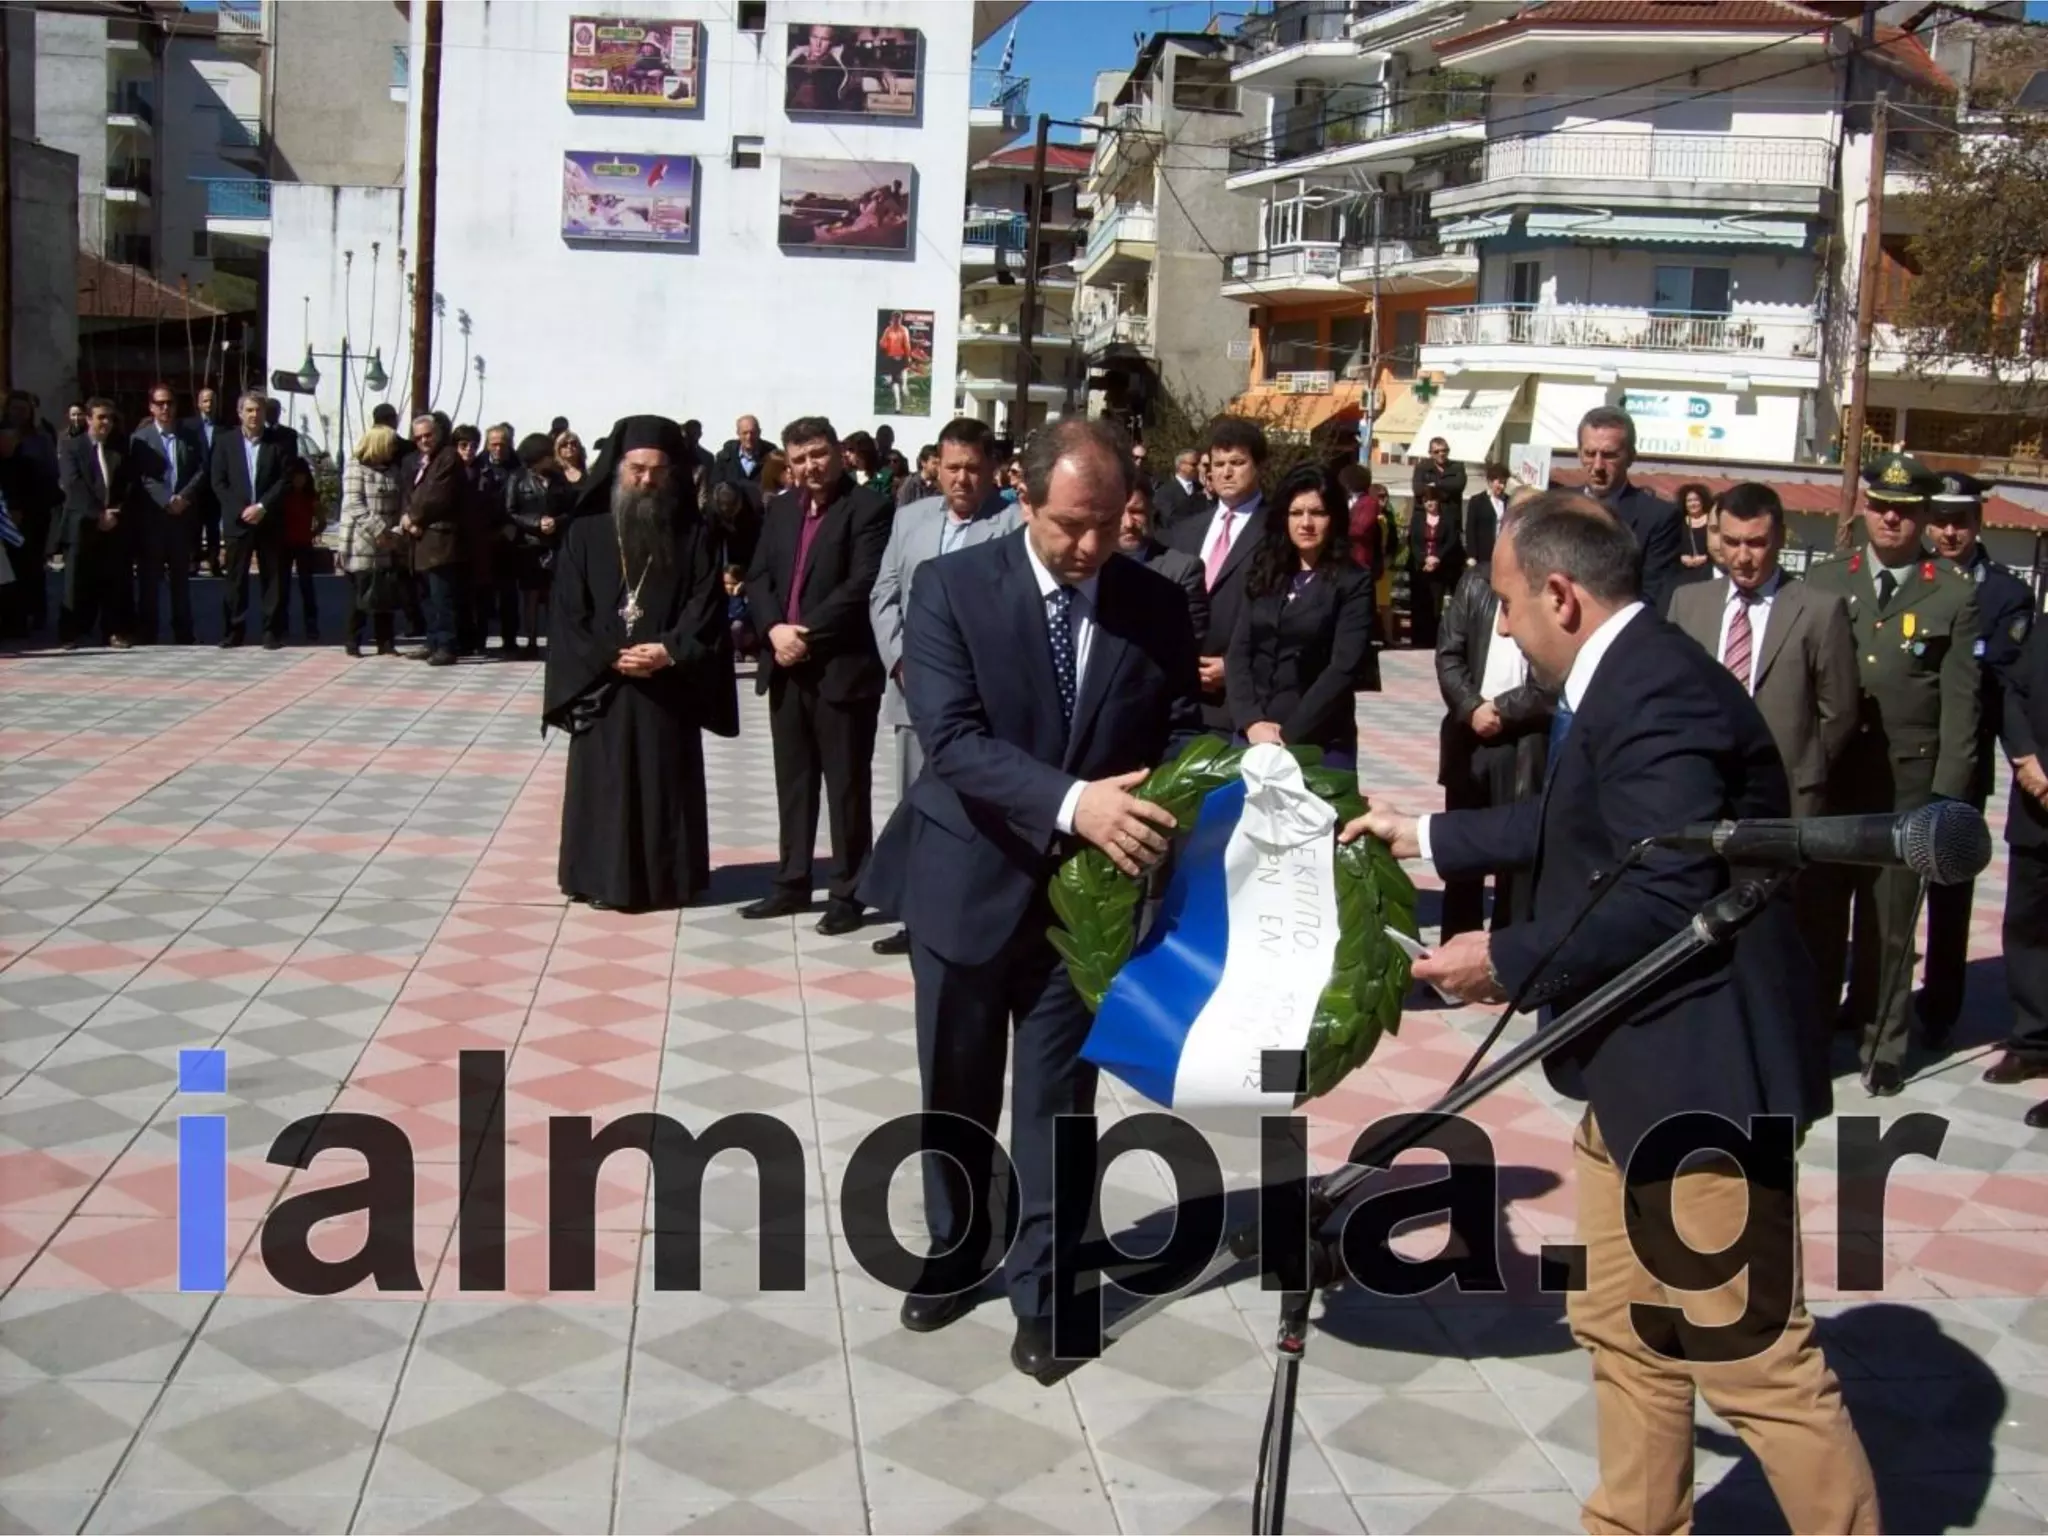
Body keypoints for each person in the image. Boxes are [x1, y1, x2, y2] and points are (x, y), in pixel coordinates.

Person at [1347, 491, 1877, 1535]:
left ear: (1558, 594)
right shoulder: (1623, 675)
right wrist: (1423, 834)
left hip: (1701, 1083)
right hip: (1634, 1069)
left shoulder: (1657, 693)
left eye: (1504, 604)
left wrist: (1502, 959)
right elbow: (1581, 822)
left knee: (1749, 1356)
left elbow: (1662, 890)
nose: (1498, 626)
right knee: (1620, 1323)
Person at [857, 416, 1203, 1381]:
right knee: (956, 1092)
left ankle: (1047, 1292)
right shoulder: (952, 589)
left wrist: (1177, 802)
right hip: (967, 879)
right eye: (1068, 526)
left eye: (1107, 526)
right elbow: (953, 739)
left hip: (1082, 909)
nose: (1087, 547)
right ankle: (957, 1247)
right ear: (1024, 496)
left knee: (1059, 1103)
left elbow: (1177, 729)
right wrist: (1075, 804)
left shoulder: (1155, 602)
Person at [1804, 452, 1982, 1095]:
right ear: (1865, 509)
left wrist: (1945, 799)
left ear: (1924, 518)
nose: (1890, 519)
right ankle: (1814, 1030)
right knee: (1821, 915)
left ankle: (1884, 1044)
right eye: (1880, 506)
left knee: (1891, 921)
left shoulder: (1954, 592)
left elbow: (1961, 706)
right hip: (1834, 775)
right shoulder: (1827, 580)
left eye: (1904, 511)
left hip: (1906, 785)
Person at [1668, 482, 1859, 1020]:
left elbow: (1838, 712)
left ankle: (1790, 1034)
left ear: (1779, 538)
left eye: (1756, 543)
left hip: (1785, 802)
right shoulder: (1689, 602)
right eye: (1731, 542)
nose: (1744, 557)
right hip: (1702, 796)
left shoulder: (1819, 610)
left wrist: (1802, 773)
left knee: (1782, 927)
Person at [543, 415, 737, 911]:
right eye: (637, 469)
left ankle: (669, 879)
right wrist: (612, 654)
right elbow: (568, 610)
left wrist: (668, 649)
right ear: (618, 468)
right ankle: (596, 878)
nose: (647, 480)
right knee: (604, 784)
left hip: (665, 686)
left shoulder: (693, 536)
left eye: (657, 470)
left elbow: (705, 607)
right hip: (603, 685)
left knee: (662, 786)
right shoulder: (585, 533)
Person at [866, 416, 1016, 956]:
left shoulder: (1014, 523)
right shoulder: (911, 520)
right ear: (936, 466)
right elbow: (884, 594)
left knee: (970, 810)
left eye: (973, 469)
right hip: (913, 692)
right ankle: (915, 918)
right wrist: (901, 660)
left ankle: (966, 913)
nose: (962, 479)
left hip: (980, 700)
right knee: (917, 805)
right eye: (952, 468)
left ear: (991, 469)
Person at [740, 416, 894, 934]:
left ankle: (849, 893)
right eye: (800, 458)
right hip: (785, 668)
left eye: (819, 454)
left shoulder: (870, 507)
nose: (811, 466)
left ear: (838, 452)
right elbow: (758, 576)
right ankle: (791, 881)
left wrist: (803, 634)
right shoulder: (780, 509)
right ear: (789, 461)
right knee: (794, 781)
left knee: (847, 788)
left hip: (840, 670)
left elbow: (861, 584)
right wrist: (773, 631)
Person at [1920, 469, 2035, 1046]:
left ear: (1977, 523)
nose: (1947, 533)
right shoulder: (1911, 578)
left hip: (1963, 761)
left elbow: (2006, 684)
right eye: (1939, 521)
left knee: (1949, 889)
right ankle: (1878, 1002)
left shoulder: (2006, 595)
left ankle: (1939, 1007)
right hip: (1902, 755)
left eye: (1958, 522)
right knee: (1887, 891)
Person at [1434, 505, 1556, 940]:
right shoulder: (1475, 582)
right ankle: (1456, 943)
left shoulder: (1552, 591)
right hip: (1470, 736)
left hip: (1524, 740)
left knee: (1515, 858)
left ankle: (1506, 951)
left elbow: (1555, 676)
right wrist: (1471, 706)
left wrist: (1504, 709)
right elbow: (1448, 653)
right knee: (1461, 849)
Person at [1225, 465, 1379, 770]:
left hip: (1317, 741)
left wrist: (1288, 733)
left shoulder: (1353, 581)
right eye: (1296, 513)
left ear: (1333, 517)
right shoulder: (1265, 571)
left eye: (1317, 513)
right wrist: (1251, 721)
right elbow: (1238, 651)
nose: (1306, 523)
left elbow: (1343, 667)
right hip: (1254, 737)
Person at [1165, 415, 1268, 732]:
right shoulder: (1186, 530)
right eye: (1218, 463)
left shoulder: (1278, 531)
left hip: (1242, 703)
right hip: (1181, 700)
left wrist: (1236, 667)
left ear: (1259, 465)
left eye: (1237, 462)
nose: (1226, 472)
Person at [1994, 617, 2048, 1124]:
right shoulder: (2044, 629)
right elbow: (2013, 692)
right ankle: (2033, 1041)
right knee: (2027, 927)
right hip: (2036, 806)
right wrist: (2026, 760)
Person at [1576, 405, 1683, 616]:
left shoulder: (1658, 518)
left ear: (1630, 457)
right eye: (1590, 453)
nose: (1598, 465)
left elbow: (1654, 597)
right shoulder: (1555, 506)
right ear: (1579, 453)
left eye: (1609, 455)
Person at [209, 390, 293, 649]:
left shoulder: (278, 442)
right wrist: (242, 509)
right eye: (249, 410)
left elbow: (285, 479)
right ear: (240, 413)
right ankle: (234, 630)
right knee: (235, 578)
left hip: (269, 519)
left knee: (273, 577)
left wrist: (262, 506)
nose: (254, 415)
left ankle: (271, 631)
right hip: (238, 521)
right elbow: (218, 481)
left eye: (258, 410)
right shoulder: (225, 441)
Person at [57, 398, 139, 650]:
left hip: (114, 525)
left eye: (110, 418)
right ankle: (71, 632)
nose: (106, 423)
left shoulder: (119, 448)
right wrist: (98, 514)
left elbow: (129, 484)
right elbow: (74, 484)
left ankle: (115, 631)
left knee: (115, 580)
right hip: (82, 524)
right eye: (101, 417)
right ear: (88, 419)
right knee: (77, 581)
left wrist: (116, 512)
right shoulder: (72, 447)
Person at [130, 383, 205, 645]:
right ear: (151, 407)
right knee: (149, 578)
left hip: (183, 516)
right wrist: (166, 500)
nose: (165, 408)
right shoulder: (140, 439)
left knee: (181, 578)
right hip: (153, 518)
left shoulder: (191, 436)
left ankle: (183, 631)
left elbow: (201, 470)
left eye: (169, 403)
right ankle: (148, 630)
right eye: (160, 403)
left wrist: (184, 497)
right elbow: (143, 477)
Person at [400, 414, 468, 666]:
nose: (424, 441)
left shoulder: (448, 457)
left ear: (437, 433)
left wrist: (414, 518)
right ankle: (432, 641)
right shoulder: (419, 461)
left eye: (428, 435)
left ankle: (448, 645)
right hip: (419, 540)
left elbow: (436, 496)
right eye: (418, 437)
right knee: (426, 596)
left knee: (443, 596)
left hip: (440, 538)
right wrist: (407, 518)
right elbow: (410, 492)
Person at [338, 424, 405, 657]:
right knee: (363, 592)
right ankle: (353, 640)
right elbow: (355, 504)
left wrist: (395, 532)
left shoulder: (393, 470)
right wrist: (378, 530)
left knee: (385, 592)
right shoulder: (356, 467)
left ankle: (385, 641)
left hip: (388, 541)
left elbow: (400, 503)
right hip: (362, 540)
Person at [1113, 477, 1206, 644]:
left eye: (1136, 512)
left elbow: (1190, 640)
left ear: (1151, 512)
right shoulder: (1091, 567)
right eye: (1119, 512)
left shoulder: (1182, 570)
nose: (1128, 523)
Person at [1405, 484, 1462, 650]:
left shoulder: (1448, 519)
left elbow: (1452, 540)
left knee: (1435, 606)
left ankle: (1432, 641)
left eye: (1433, 500)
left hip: (1440, 568)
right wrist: (1424, 558)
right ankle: (1417, 640)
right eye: (1427, 501)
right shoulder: (1417, 519)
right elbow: (1412, 541)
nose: (1430, 504)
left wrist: (1437, 558)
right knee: (1419, 604)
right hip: (1419, 568)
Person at [279, 458, 325, 640]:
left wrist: (313, 533)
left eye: (302, 477)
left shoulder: (310, 496)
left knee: (306, 585)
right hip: (285, 543)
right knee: (283, 585)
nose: (300, 480)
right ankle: (282, 624)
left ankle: (311, 623)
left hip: (303, 543)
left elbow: (321, 520)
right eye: (296, 477)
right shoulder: (284, 495)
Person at [1463, 462, 1508, 574]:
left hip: (1502, 554)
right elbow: (1470, 529)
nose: (1502, 486)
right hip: (1482, 555)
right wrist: (1471, 555)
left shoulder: (1509, 501)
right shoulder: (1477, 501)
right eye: (1499, 482)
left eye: (1504, 483)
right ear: (1490, 482)